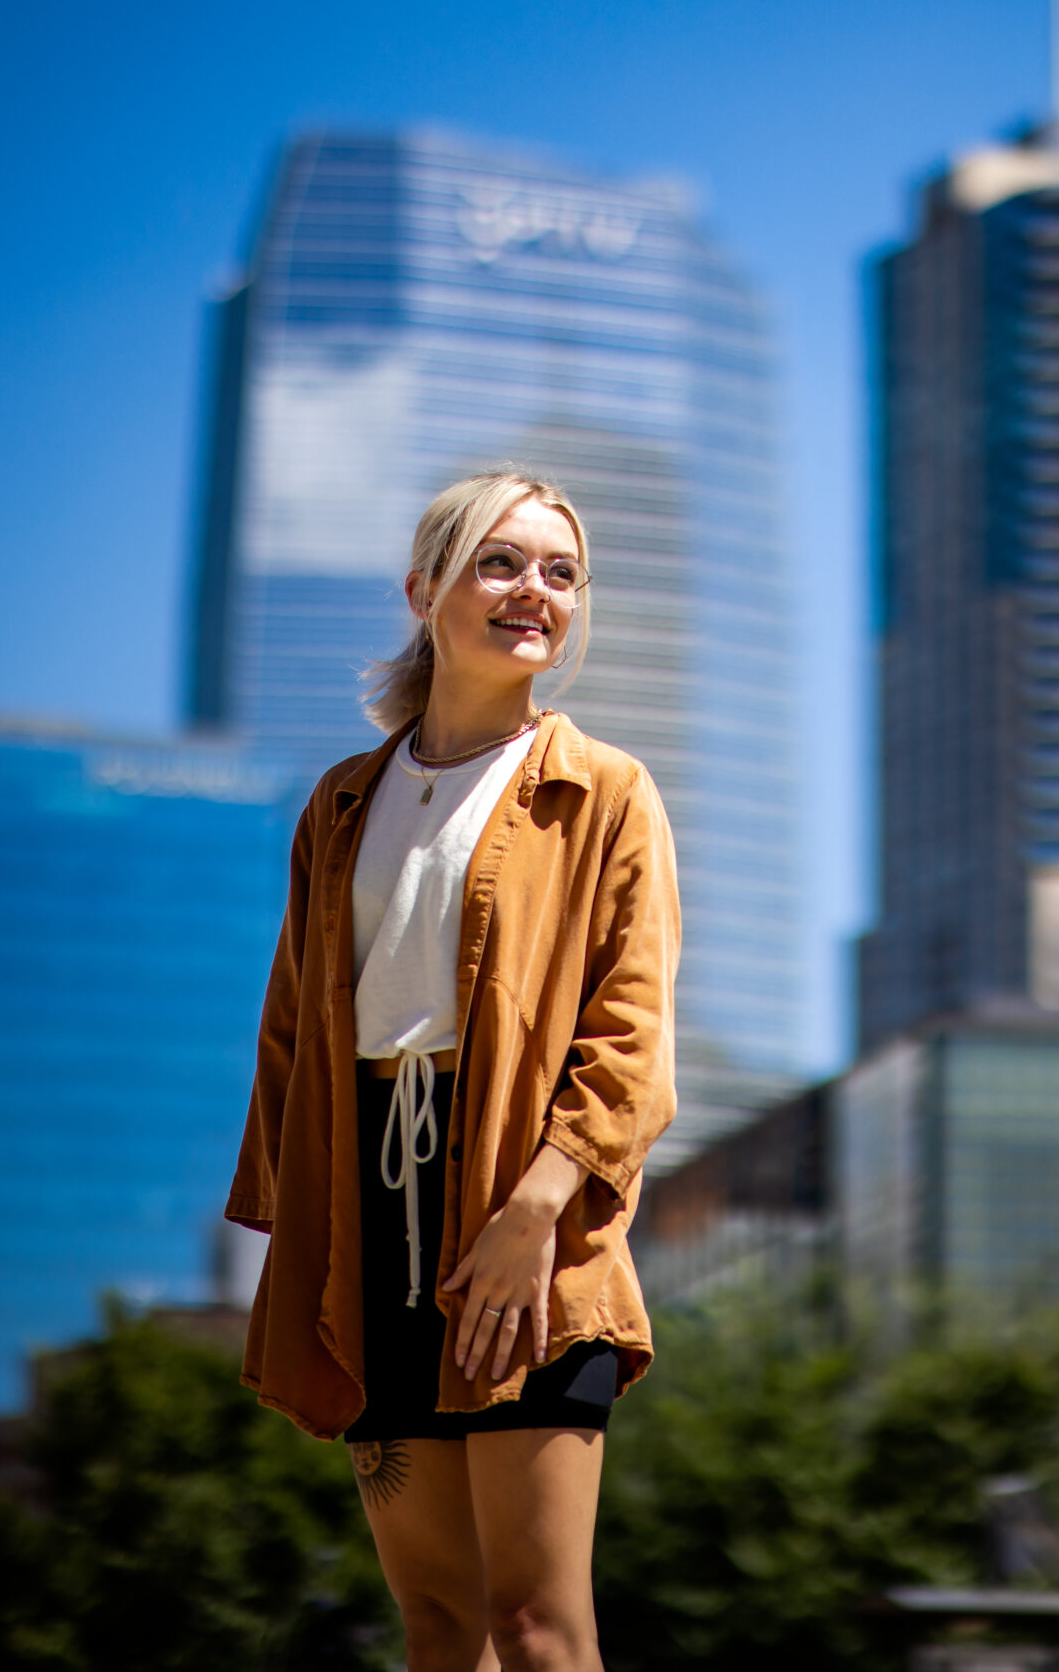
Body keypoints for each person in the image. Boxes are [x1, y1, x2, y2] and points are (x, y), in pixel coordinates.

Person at [226, 470, 679, 1672]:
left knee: (538, 1626)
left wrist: (537, 1209)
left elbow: (631, 1035)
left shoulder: (605, 792)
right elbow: (290, 1032)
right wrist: (306, 1237)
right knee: (438, 1625)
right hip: (376, 1224)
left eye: (561, 572)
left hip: (529, 1216)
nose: (535, 592)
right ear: (425, 589)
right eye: (501, 562)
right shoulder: (340, 802)